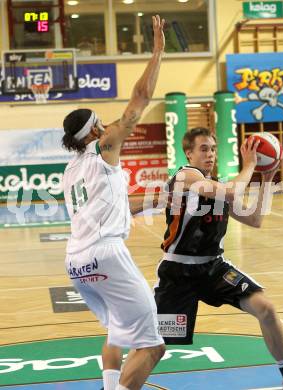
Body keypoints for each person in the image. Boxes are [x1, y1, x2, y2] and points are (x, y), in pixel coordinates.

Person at [154, 127, 283, 390]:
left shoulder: (217, 185)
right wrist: (249, 164)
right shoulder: (186, 176)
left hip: (214, 268)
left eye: (213, 149)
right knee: (156, 346)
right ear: (188, 153)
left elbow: (254, 219)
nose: (210, 154)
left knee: (266, 309)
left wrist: (268, 177)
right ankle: (119, 383)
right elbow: (230, 192)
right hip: (178, 272)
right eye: (204, 149)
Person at [62, 15, 166, 390]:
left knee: (117, 333)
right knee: (153, 345)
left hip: (75, 260)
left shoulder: (71, 169)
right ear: (93, 131)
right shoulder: (103, 147)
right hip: (105, 254)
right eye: (102, 123)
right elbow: (140, 100)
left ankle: (110, 384)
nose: (109, 127)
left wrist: (159, 199)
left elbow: (113, 206)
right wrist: (156, 53)